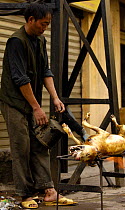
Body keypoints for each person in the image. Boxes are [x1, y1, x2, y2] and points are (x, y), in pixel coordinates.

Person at [0, 2, 75, 208]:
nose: (45, 28)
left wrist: (55, 98)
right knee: (21, 146)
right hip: (14, 102)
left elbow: (45, 71)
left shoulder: (40, 40)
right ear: (30, 20)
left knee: (41, 143)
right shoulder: (16, 41)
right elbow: (20, 78)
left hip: (32, 102)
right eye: (43, 24)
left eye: (48, 24)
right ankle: (25, 195)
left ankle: (49, 191)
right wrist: (36, 107)